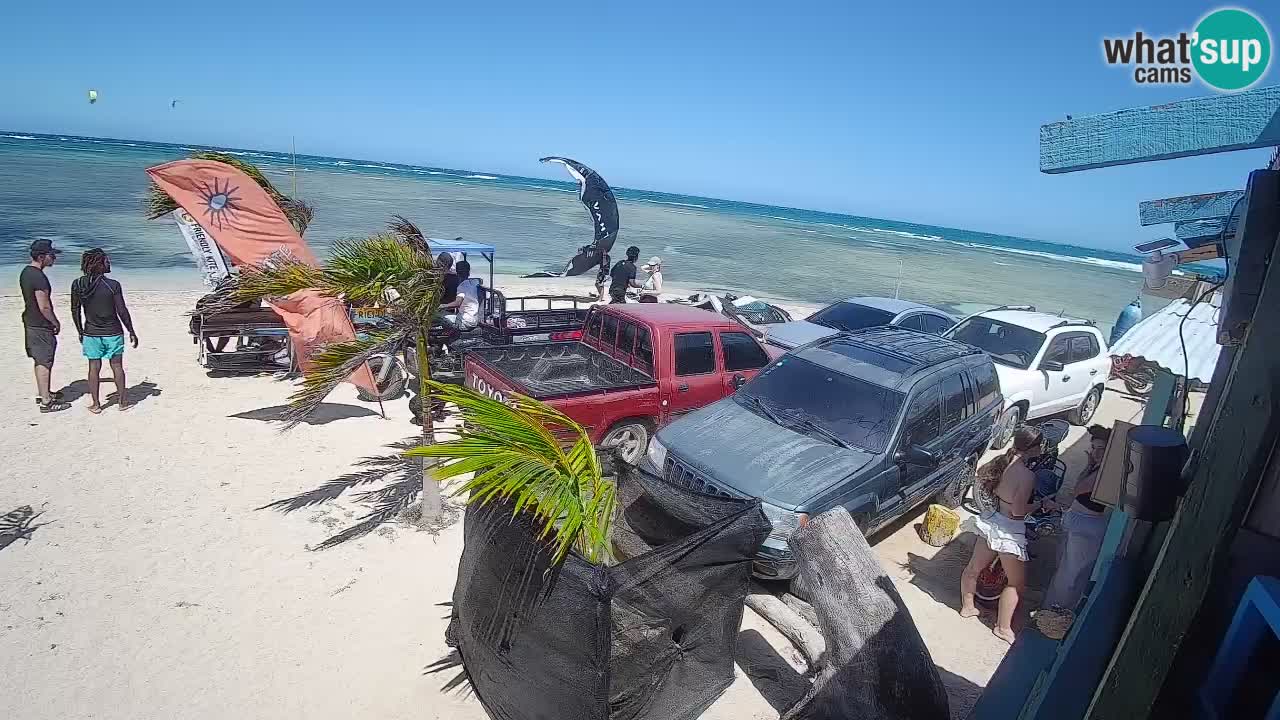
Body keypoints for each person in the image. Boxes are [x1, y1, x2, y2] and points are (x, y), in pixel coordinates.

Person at [960, 425, 1043, 644]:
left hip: (993, 522)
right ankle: (1002, 628)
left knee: (973, 569)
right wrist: (1040, 504)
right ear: (1033, 448)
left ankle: (968, 607)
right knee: (1016, 583)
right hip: (1009, 530)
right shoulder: (1027, 475)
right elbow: (1018, 511)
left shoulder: (1003, 462)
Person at [1043, 425, 1113, 610]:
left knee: (1071, 574)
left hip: (1088, 526)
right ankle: (1053, 611)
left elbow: (1078, 489)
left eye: (1101, 449)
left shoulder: (1105, 473)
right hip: (1079, 521)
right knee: (1064, 568)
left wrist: (1093, 466)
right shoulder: (1098, 468)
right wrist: (1090, 464)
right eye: (1094, 448)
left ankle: (1057, 613)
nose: (1096, 453)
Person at [70, 249, 139, 413]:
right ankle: (122, 402)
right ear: (99, 264)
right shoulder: (112, 285)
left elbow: (75, 310)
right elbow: (121, 310)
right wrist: (131, 330)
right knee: (117, 366)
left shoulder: (78, 284)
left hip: (91, 332)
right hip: (113, 332)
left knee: (93, 367)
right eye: (107, 261)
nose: (109, 264)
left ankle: (96, 404)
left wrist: (80, 330)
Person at [21, 239, 70, 412]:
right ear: (42, 257)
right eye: (52, 255)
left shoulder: (26, 272)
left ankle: (45, 393)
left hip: (30, 321)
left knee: (39, 359)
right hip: (40, 324)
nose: (54, 258)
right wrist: (55, 322)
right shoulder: (39, 277)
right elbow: (44, 306)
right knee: (45, 360)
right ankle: (46, 402)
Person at [440, 260, 482, 330]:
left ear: (457, 273)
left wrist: (442, 306)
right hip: (474, 319)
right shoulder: (474, 283)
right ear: (468, 273)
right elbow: (480, 280)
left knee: (440, 318)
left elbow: (457, 303)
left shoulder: (461, 287)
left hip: (464, 321)